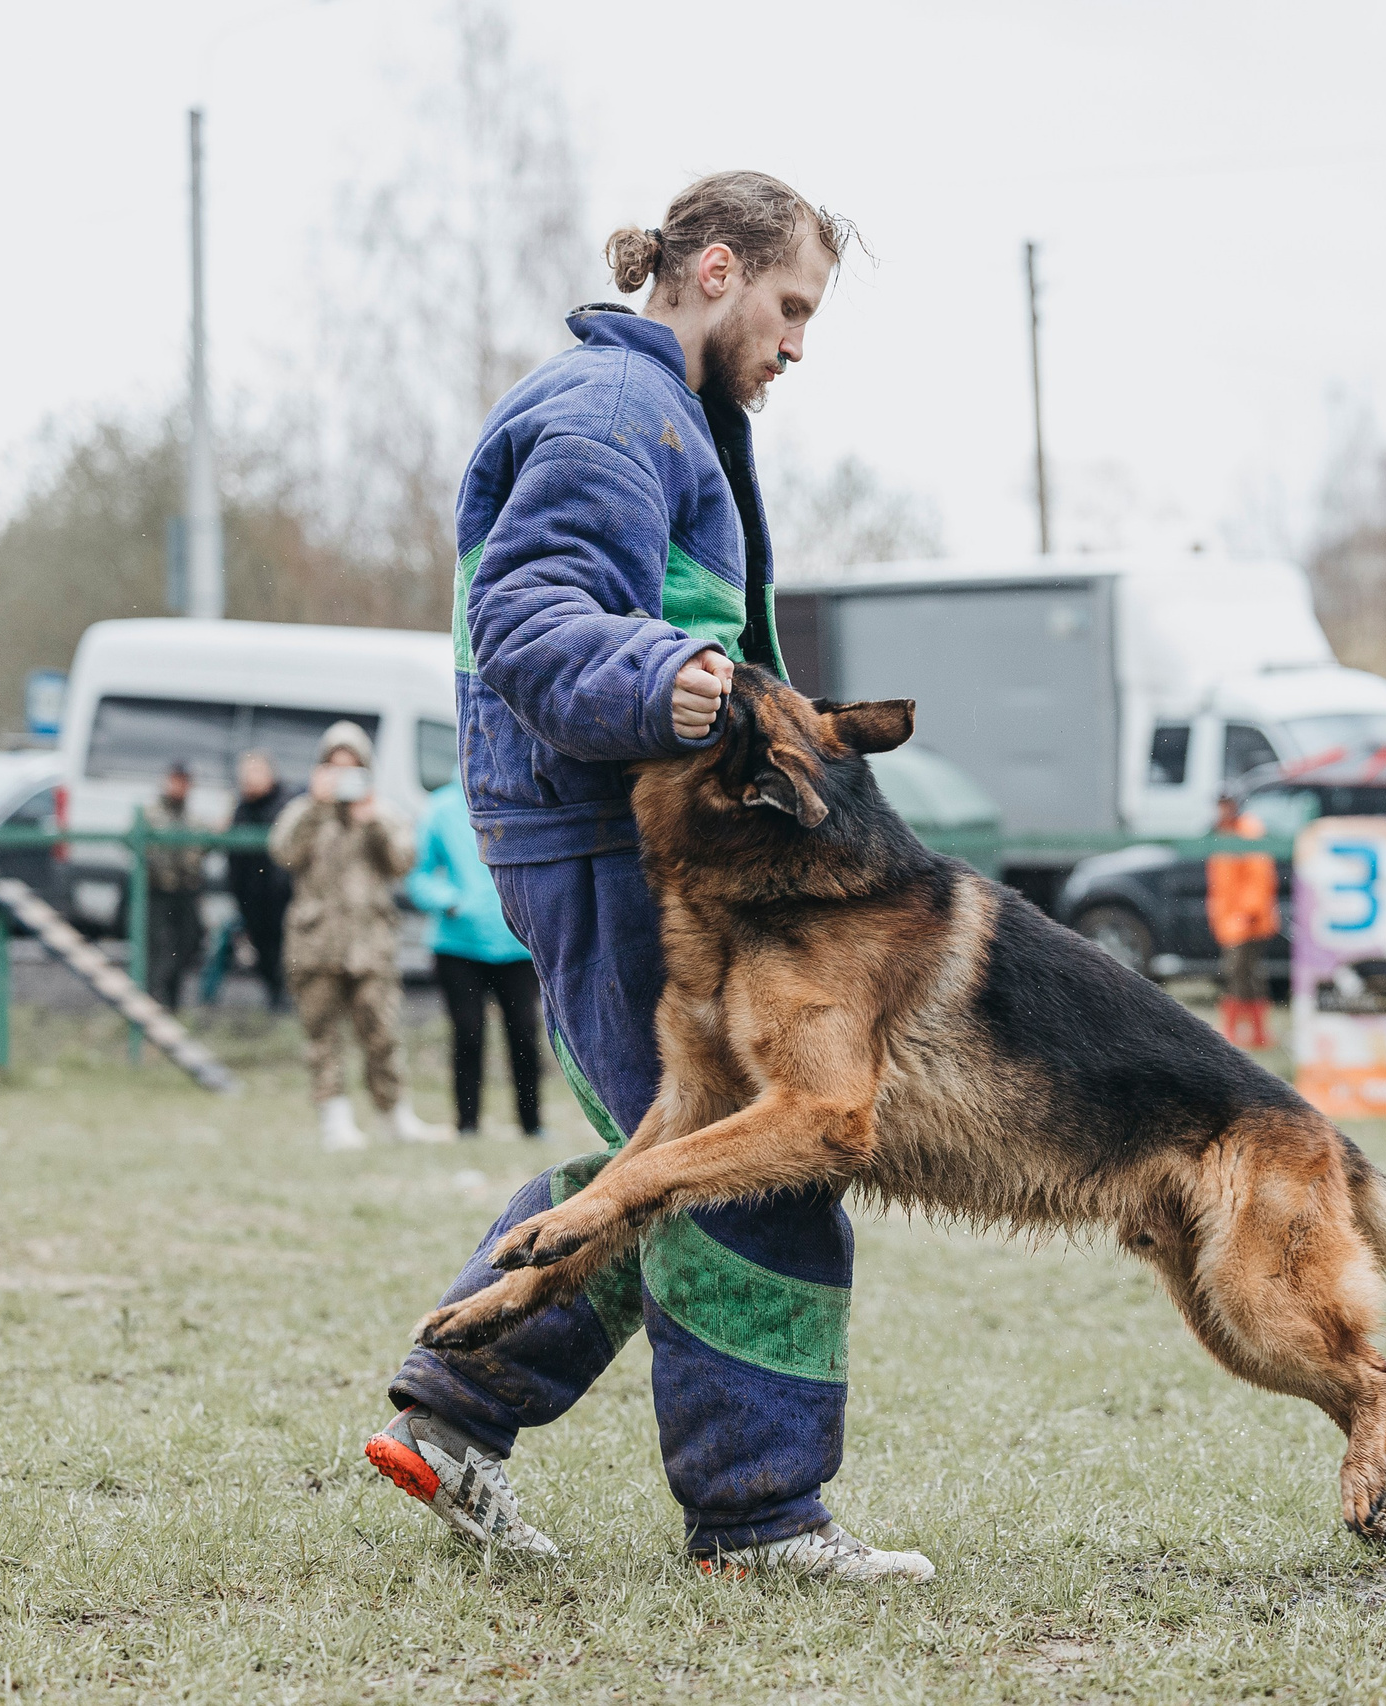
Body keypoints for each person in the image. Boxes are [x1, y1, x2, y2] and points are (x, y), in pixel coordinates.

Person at [367, 172, 934, 1584]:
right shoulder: (613, 411)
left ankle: (457, 1412)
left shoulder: (673, 418)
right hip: (598, 843)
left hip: (647, 844)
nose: (800, 341)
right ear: (719, 268)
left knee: (667, 1154)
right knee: (755, 1162)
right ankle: (758, 1523)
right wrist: (683, 682)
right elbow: (530, 614)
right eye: (793, 306)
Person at [270, 721, 441, 1150]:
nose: (343, 776)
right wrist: (315, 805)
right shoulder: (304, 812)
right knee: (322, 1035)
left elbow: (404, 861)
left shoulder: (381, 813)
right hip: (316, 943)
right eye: (335, 766)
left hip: (371, 946)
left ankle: (394, 1114)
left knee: (381, 1031)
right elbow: (283, 853)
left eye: (353, 767)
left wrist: (374, 820)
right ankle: (335, 1120)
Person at [408, 772, 546, 1140]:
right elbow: (417, 877)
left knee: (524, 1034)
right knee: (468, 1035)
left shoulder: (520, 798)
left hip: (516, 943)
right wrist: (449, 901)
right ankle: (467, 1125)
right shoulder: (440, 808)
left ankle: (532, 1125)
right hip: (458, 946)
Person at [1207, 791, 1280, 1049]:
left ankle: (1240, 1031)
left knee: (1239, 973)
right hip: (1231, 919)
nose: (1222, 809)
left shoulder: (1248, 830)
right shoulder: (1223, 832)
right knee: (1246, 975)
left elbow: (1259, 876)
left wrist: (1248, 911)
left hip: (1246, 920)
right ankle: (1255, 1033)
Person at [226, 751, 294, 1010]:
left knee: (285, 954)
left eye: (255, 772)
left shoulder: (285, 805)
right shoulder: (241, 810)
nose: (249, 780)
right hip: (252, 899)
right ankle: (275, 1002)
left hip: (282, 898)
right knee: (264, 954)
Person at [143, 761, 206, 1012]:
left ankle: (172, 1002)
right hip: (157, 891)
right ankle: (152, 997)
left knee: (187, 943)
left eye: (184, 782)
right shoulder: (151, 814)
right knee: (158, 946)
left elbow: (203, 847)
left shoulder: (193, 818)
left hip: (185, 892)